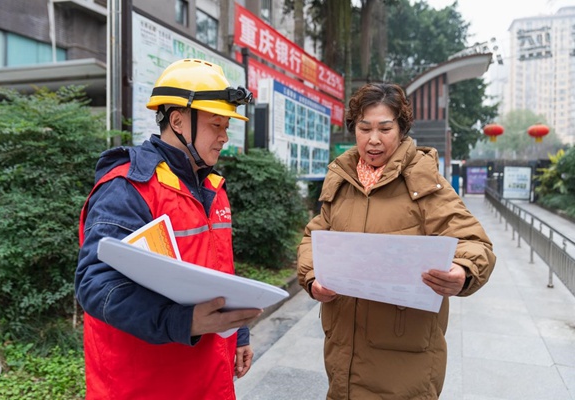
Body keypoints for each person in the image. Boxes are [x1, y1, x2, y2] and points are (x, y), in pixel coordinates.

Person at [76, 58, 262, 400]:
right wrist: (184, 321)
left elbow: (220, 269)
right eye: (216, 124)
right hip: (145, 385)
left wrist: (239, 333)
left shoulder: (212, 186)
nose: (224, 136)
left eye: (226, 126)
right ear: (177, 121)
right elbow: (95, 286)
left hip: (207, 377)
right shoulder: (128, 188)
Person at [297, 82, 496, 400]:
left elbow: (474, 242)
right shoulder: (343, 181)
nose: (373, 139)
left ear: (402, 130)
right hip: (343, 352)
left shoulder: (425, 182)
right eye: (364, 128)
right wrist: (312, 278)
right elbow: (313, 237)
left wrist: (462, 270)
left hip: (404, 358)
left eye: (385, 128)